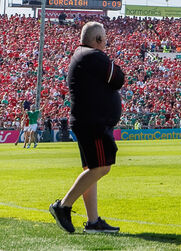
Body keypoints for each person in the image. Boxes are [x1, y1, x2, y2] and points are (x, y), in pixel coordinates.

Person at [49, 21, 124, 234]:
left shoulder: (81, 55)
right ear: (98, 40)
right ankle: (62, 206)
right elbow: (118, 78)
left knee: (91, 169)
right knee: (102, 166)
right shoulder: (93, 56)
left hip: (87, 121)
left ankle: (93, 222)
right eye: (105, 38)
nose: (107, 42)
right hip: (94, 123)